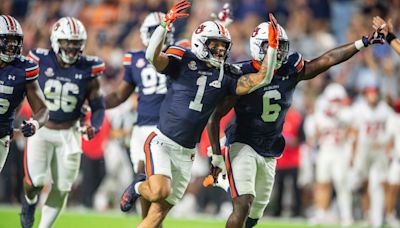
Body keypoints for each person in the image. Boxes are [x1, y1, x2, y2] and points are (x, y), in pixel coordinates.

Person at [207, 19, 385, 227]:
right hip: (242, 143)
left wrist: (362, 42)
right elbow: (215, 115)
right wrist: (217, 156)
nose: (278, 51)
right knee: (243, 203)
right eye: (271, 45)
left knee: (254, 214)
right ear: (257, 46)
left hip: (269, 148)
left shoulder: (290, 68)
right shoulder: (242, 73)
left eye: (281, 46)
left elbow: (327, 59)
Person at [119, 1, 280, 227]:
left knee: (157, 216)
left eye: (223, 46)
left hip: (187, 154)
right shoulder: (183, 59)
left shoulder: (226, 75)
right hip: (162, 142)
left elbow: (262, 77)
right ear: (201, 43)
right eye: (215, 45)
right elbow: (152, 57)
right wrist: (164, 25)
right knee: (159, 191)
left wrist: (272, 48)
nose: (220, 50)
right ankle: (137, 187)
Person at [20, 17, 105, 228]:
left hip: (70, 132)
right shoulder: (38, 60)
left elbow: (98, 105)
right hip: (42, 130)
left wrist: (94, 125)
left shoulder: (89, 68)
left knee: (63, 187)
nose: (72, 47)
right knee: (35, 183)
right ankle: (29, 202)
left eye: (76, 42)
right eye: (67, 41)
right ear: (56, 40)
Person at [104, 11, 174, 218]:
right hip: (143, 125)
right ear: (145, 34)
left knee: (155, 181)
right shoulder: (134, 58)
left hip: (166, 127)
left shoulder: (177, 55)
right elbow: (120, 94)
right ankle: (147, 220)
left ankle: (147, 215)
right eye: (153, 32)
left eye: (159, 31)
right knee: (142, 175)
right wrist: (95, 103)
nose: (157, 36)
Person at [0, 15, 48, 173]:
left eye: (15, 40)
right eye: (6, 40)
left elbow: (43, 110)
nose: (11, 45)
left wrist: (34, 124)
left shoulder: (24, 69)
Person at [310, 83, 353, 226]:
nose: (335, 103)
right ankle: (321, 213)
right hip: (325, 150)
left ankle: (346, 215)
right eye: (333, 100)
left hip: (339, 151)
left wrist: (335, 114)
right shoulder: (321, 113)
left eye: (337, 100)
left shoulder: (346, 112)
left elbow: (348, 126)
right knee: (322, 183)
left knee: (342, 184)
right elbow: (316, 133)